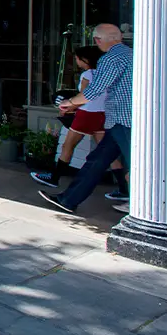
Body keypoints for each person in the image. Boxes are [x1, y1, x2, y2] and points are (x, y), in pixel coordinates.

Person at [39, 24, 132, 215]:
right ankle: (68, 199)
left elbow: (93, 91)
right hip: (119, 119)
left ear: (98, 40)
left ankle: (152, 208)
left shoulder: (111, 59)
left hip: (124, 119)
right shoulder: (132, 55)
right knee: (97, 160)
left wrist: (69, 102)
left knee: (136, 164)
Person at [32, 46, 105, 188]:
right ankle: (123, 186)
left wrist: (69, 107)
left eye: (77, 58)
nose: (76, 61)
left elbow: (84, 97)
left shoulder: (87, 75)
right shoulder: (103, 74)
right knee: (105, 150)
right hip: (101, 114)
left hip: (86, 114)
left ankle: (54, 177)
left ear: (85, 60)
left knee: (68, 146)